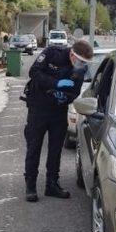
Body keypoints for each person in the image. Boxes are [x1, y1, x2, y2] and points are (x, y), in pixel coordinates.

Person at [23, 38, 94, 201]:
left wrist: (65, 98)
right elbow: (34, 72)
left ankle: (52, 185)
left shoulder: (79, 70)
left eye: (85, 63)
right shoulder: (52, 53)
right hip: (38, 108)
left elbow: (75, 91)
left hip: (58, 111)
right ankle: (31, 186)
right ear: (72, 54)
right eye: (81, 61)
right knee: (34, 147)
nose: (82, 65)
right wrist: (56, 84)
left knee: (55, 150)